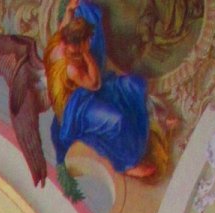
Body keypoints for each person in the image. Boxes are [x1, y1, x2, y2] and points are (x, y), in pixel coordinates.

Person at [45, 0, 166, 180]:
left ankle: (156, 117)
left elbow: (66, 21)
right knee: (116, 121)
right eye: (88, 40)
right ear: (81, 43)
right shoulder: (72, 68)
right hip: (76, 109)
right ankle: (127, 163)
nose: (90, 42)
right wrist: (87, 54)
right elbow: (95, 83)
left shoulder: (60, 40)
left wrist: (70, 10)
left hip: (83, 92)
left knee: (134, 85)